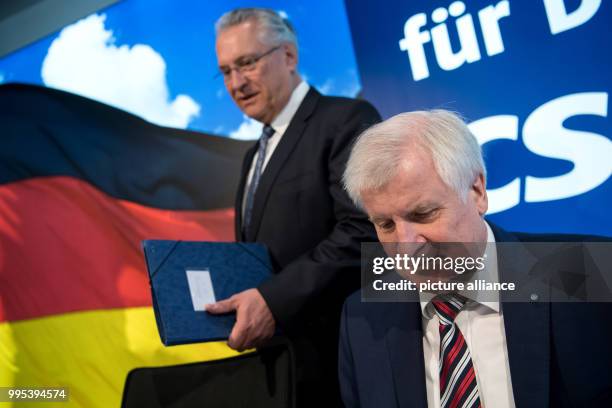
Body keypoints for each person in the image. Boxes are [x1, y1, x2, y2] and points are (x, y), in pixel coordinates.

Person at [339, 110, 612, 407]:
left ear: (477, 191)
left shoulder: (588, 270)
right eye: (386, 225)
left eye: (423, 214)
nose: (406, 248)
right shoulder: (361, 317)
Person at [205, 8, 381, 406]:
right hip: (285, 371)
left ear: (288, 56)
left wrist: (274, 300)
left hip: (344, 361)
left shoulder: (346, 119)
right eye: (226, 71)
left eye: (247, 63)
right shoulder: (253, 157)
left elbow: (364, 231)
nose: (236, 83)